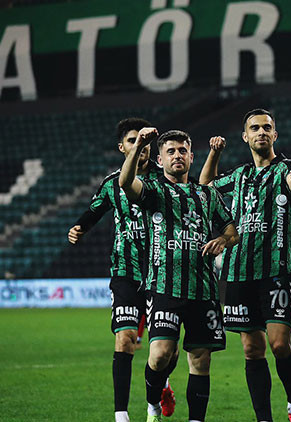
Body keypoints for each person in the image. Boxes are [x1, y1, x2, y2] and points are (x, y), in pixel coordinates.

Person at [118, 128, 238, 422]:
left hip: (203, 290)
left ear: (191, 157)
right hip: (163, 287)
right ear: (160, 160)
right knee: (161, 354)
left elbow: (232, 231)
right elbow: (125, 182)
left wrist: (223, 240)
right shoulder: (153, 191)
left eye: (182, 150)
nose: (177, 156)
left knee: (201, 360)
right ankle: (153, 405)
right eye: (170, 152)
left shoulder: (207, 194)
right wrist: (139, 145)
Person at [199, 109, 291, 422]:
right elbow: (205, 186)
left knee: (280, 344)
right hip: (238, 272)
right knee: (251, 350)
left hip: (277, 270)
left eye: (267, 127)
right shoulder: (240, 174)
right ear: (245, 136)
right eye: (255, 128)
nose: (261, 132)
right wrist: (214, 153)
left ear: (275, 134)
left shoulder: (287, 168)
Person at [67, 118, 176, 422]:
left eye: (144, 141)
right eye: (132, 141)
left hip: (162, 273)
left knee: (167, 351)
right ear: (122, 147)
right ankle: (121, 415)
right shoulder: (111, 184)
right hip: (125, 271)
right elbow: (94, 211)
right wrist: (79, 227)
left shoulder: (166, 179)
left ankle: (160, 389)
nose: (140, 146)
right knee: (125, 338)